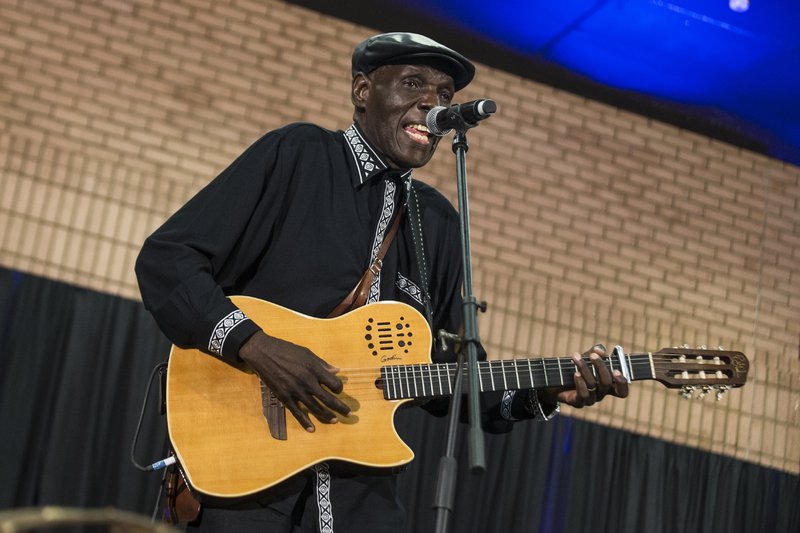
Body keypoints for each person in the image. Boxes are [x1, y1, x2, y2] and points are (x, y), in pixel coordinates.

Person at [135, 32, 629, 533]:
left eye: (444, 96)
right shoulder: (299, 154)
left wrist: (547, 390)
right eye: (413, 83)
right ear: (363, 91)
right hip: (244, 476)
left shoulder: (437, 223)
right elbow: (167, 260)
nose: (431, 103)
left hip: (362, 497)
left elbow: (452, 378)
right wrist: (256, 346)